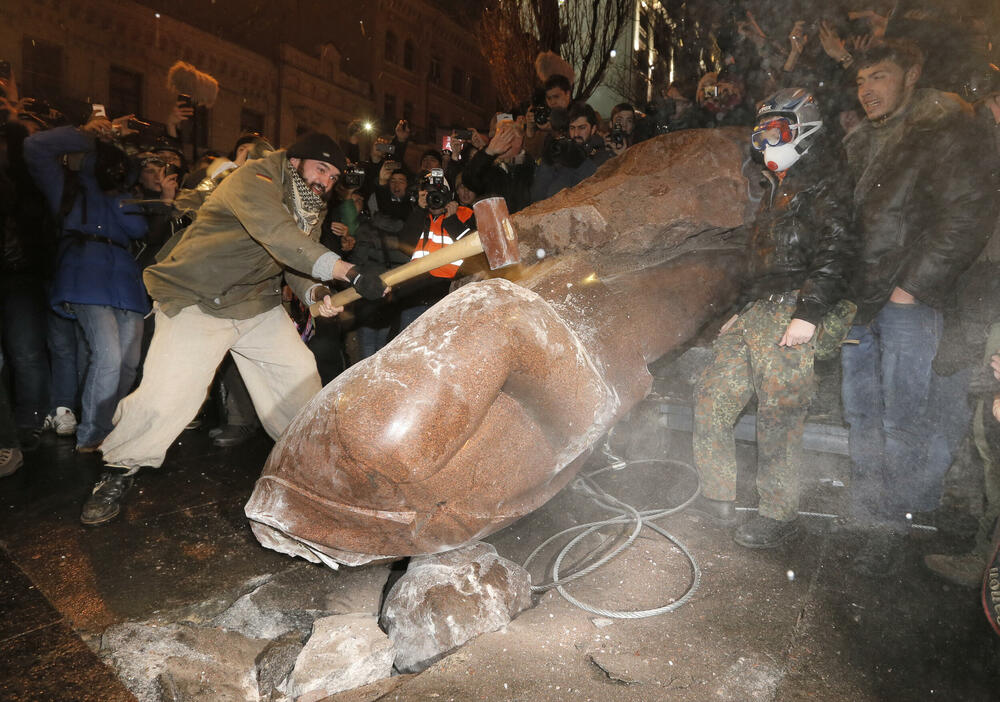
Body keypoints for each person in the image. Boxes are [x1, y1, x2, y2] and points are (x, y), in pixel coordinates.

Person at [80, 133, 387, 526]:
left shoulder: (310, 205)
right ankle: (118, 470)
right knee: (169, 396)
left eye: (333, 175)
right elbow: (281, 237)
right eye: (320, 168)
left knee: (298, 380)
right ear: (295, 162)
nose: (325, 181)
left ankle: (316, 470)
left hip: (256, 305)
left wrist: (315, 292)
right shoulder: (254, 179)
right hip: (199, 299)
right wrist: (351, 272)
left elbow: (295, 264)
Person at [840, 40, 999, 568]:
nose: (868, 90)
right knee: (861, 411)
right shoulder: (862, 139)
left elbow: (966, 217)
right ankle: (867, 512)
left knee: (903, 419)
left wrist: (911, 287)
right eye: (862, 79)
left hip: (908, 300)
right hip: (860, 298)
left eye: (880, 76)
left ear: (912, 73)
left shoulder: (945, 131)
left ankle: (894, 527)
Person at [689, 88, 856, 547]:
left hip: (794, 308)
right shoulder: (775, 191)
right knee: (712, 399)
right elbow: (758, 262)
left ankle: (779, 515)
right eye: (759, 135)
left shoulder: (823, 184)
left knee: (779, 418)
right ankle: (718, 497)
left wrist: (809, 313)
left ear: (804, 130)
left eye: (776, 132)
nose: (765, 144)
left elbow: (837, 251)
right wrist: (739, 311)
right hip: (760, 311)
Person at [24, 114, 150, 454]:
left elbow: (139, 230)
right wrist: (86, 135)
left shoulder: (126, 191)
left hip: (124, 277)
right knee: (108, 354)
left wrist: (126, 172)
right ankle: (92, 433)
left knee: (129, 360)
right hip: (83, 271)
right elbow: (34, 146)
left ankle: (107, 425)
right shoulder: (67, 184)